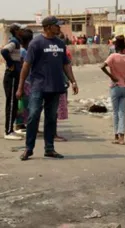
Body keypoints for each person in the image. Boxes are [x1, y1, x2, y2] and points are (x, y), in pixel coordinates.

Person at [16, 16, 78, 161]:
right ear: (48, 27)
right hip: (38, 87)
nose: (59, 28)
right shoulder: (36, 43)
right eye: (57, 26)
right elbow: (26, 66)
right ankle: (28, 149)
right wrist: (20, 87)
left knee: (51, 118)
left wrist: (73, 81)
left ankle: (49, 149)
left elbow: (66, 64)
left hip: (55, 87)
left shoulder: (60, 43)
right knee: (33, 116)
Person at [2, 24, 22, 140]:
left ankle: (11, 129)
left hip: (14, 76)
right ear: (15, 31)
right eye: (19, 30)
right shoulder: (14, 41)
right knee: (11, 103)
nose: (21, 31)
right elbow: (4, 51)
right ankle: (8, 131)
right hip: (12, 76)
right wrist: (11, 64)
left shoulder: (16, 41)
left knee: (14, 103)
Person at [14, 28, 34, 134]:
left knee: (27, 103)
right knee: (22, 103)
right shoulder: (22, 51)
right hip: (25, 80)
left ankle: (24, 123)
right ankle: (19, 124)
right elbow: (21, 65)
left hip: (29, 79)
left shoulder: (27, 50)